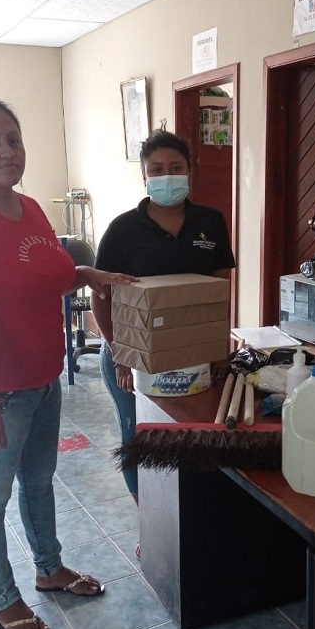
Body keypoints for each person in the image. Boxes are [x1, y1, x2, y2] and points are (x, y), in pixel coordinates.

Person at [0, 97, 138, 629]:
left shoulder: (31, 209)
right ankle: (3, 600)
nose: (7, 151)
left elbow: (45, 277)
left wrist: (87, 273)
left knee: (38, 484)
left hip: (42, 384)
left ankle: (50, 569)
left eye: (13, 140)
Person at [91, 129, 236, 557]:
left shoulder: (210, 222)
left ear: (190, 171)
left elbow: (218, 294)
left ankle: (189, 520)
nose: (166, 175)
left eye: (175, 167)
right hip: (130, 357)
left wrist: (217, 350)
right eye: (156, 170)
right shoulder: (123, 230)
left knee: (192, 439)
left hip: (194, 356)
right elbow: (102, 298)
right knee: (141, 441)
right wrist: (120, 354)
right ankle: (151, 525)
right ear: (144, 176)